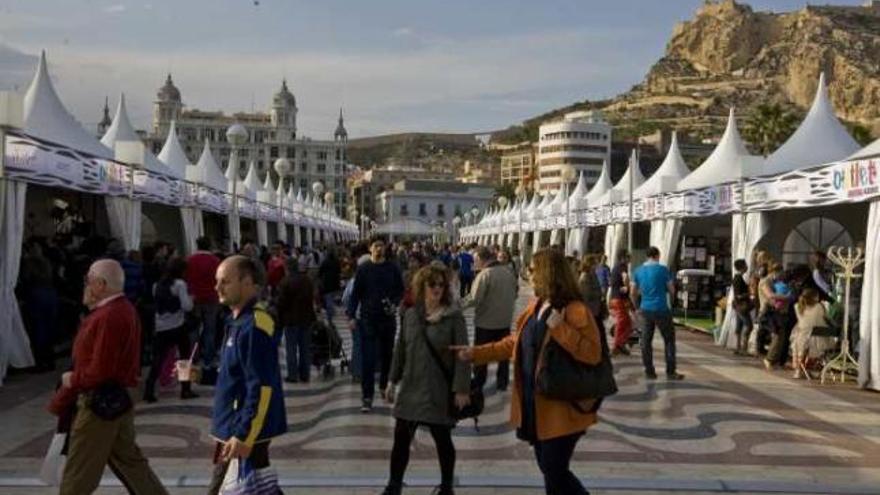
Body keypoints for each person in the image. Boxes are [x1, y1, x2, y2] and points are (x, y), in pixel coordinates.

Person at [451, 248, 601, 495]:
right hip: (536, 403)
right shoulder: (537, 306)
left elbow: (592, 353)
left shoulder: (575, 310)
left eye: (532, 269)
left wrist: (561, 328)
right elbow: (514, 342)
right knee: (549, 468)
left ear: (546, 273)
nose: (528, 274)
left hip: (562, 406)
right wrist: (475, 353)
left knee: (554, 470)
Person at [48, 259, 168, 495]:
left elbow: (100, 370)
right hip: (115, 400)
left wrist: (73, 379)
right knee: (130, 462)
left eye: (88, 280)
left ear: (101, 284)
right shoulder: (119, 310)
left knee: (78, 473)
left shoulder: (109, 316)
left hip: (99, 403)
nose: (86, 285)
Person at [381, 264, 471, 495]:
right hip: (411, 386)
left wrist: (461, 389)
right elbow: (400, 350)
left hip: (437, 389)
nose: (437, 289)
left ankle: (447, 486)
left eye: (442, 284)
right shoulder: (411, 315)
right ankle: (393, 485)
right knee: (401, 438)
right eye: (432, 284)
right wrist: (391, 381)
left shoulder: (454, 318)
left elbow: (462, 355)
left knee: (442, 439)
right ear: (422, 286)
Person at [208, 255, 287, 495]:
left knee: (230, 488)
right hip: (232, 424)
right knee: (260, 487)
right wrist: (201, 374)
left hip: (242, 427)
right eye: (217, 281)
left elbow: (261, 387)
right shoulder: (235, 322)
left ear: (247, 283)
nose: (217, 287)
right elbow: (232, 373)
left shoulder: (255, 326)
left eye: (225, 281)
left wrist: (244, 435)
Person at [346, 238, 405, 412]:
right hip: (368, 319)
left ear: (385, 248)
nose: (379, 248)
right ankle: (367, 396)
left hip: (387, 319)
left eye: (382, 245)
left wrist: (394, 303)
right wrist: (351, 315)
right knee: (368, 360)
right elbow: (355, 294)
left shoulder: (393, 268)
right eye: (376, 246)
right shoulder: (363, 269)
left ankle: (383, 386)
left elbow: (400, 290)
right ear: (370, 249)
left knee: (387, 356)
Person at [461, 246, 517, 392]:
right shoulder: (508, 272)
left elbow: (474, 299)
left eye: (475, 260)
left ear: (480, 258)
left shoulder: (485, 274)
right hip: (504, 321)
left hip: (486, 322)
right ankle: (502, 382)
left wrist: (455, 307)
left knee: (481, 354)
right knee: (503, 353)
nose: (474, 263)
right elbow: (515, 293)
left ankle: (479, 381)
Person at [143, 257, 197, 403]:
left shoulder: (156, 285)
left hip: (161, 327)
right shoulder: (180, 284)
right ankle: (186, 389)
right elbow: (187, 306)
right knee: (184, 358)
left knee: (158, 359)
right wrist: (191, 299)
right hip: (178, 325)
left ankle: (149, 389)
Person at [631, 246, 683, 380]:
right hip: (661, 309)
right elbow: (672, 290)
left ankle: (649, 371)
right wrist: (671, 303)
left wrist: (637, 306)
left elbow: (633, 292)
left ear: (647, 256)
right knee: (669, 340)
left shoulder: (638, 271)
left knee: (646, 341)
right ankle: (670, 372)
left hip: (645, 309)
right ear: (657, 255)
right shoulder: (663, 270)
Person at [276, 258, 317, 383]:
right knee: (305, 348)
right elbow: (312, 297)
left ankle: (293, 375)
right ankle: (305, 374)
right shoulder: (307, 280)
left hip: (291, 320)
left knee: (291, 348)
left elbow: (281, 302)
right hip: (306, 318)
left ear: (287, 268)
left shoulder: (285, 282)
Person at [185, 237, 222, 374]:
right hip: (211, 298)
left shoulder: (190, 260)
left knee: (194, 329)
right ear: (210, 246)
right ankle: (208, 358)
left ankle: (193, 356)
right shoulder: (215, 261)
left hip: (194, 298)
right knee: (210, 330)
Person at [790, 288, 827, 379]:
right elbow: (824, 318)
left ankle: (798, 369)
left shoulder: (797, 306)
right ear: (815, 297)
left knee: (798, 335)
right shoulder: (819, 307)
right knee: (807, 338)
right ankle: (808, 368)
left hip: (802, 338)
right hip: (818, 339)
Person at [608, 249, 633, 356]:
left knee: (627, 323)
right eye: (628, 257)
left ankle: (620, 344)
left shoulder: (615, 267)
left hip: (616, 298)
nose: (630, 259)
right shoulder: (622, 266)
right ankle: (616, 345)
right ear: (623, 257)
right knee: (622, 322)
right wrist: (627, 287)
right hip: (619, 299)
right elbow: (625, 277)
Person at [732, 259, 754, 356]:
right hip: (741, 306)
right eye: (745, 265)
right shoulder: (738, 279)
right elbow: (738, 295)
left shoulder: (738, 278)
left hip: (738, 305)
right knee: (749, 326)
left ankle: (738, 347)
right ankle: (743, 347)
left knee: (739, 326)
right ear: (742, 267)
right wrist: (748, 294)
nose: (747, 267)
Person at [318, 246, 342, 328]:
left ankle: (330, 318)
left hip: (327, 284)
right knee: (331, 299)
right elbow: (339, 271)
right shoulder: (337, 261)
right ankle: (331, 313)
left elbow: (320, 272)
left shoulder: (325, 261)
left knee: (329, 300)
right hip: (335, 283)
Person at [578, 254, 604, 322]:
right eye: (594, 263)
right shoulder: (585, 276)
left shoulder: (593, 274)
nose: (596, 265)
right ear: (589, 264)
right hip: (590, 309)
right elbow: (586, 294)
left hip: (595, 308)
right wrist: (598, 293)